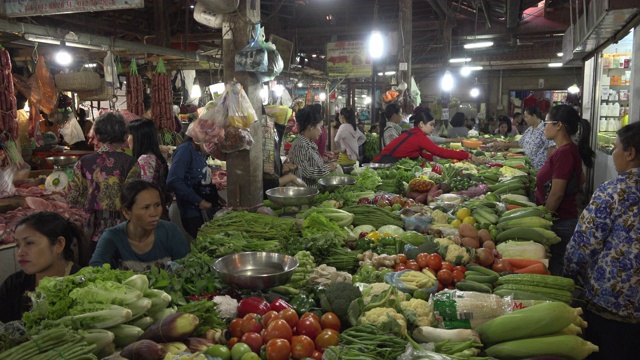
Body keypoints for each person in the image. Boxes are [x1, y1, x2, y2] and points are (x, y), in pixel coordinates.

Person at [563, 122, 640, 359]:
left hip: (613, 305)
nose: (613, 153)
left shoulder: (614, 192)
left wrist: (567, 278)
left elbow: (583, 245)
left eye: (615, 147)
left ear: (630, 153)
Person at [67, 112, 136, 266]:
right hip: (124, 228)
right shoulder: (130, 162)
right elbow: (134, 197)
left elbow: (73, 197)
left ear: (97, 134)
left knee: (96, 272)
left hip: (93, 230)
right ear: (124, 135)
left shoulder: (84, 162)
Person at [535, 105, 595, 275]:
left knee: (555, 268)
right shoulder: (567, 149)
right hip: (564, 218)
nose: (544, 127)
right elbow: (580, 179)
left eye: (546, 123)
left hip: (560, 221)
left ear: (559, 125)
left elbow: (557, 192)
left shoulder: (564, 152)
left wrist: (544, 219)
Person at [0, 212, 83, 323]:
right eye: (18, 245)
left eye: (29, 243)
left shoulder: (83, 286)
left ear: (59, 244)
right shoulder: (13, 285)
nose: (20, 253)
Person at [90, 180, 189, 271]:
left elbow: (187, 267)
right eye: (146, 207)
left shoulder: (170, 232)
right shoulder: (112, 237)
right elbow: (95, 269)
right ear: (127, 212)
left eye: (157, 205)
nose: (154, 213)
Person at [167, 135, 220, 239]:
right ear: (196, 137)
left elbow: (199, 180)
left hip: (201, 211)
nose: (212, 144)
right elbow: (173, 181)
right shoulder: (185, 150)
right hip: (192, 213)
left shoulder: (199, 151)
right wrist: (199, 201)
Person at [372, 113, 477, 164]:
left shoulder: (414, 133)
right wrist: (467, 155)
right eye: (431, 125)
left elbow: (419, 153)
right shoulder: (419, 136)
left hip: (384, 161)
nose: (433, 128)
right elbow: (440, 151)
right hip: (383, 163)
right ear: (421, 124)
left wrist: (434, 160)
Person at [490, 106, 555, 169]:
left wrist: (548, 167)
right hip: (528, 166)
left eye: (526, 117)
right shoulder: (529, 129)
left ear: (534, 116)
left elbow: (551, 147)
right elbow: (520, 143)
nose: (524, 119)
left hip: (540, 167)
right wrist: (502, 144)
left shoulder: (545, 129)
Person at [288, 105, 337, 187]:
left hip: (312, 190)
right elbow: (304, 171)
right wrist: (328, 168)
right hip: (304, 193)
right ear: (310, 127)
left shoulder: (310, 143)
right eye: (320, 127)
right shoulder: (301, 145)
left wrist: (324, 163)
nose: (321, 131)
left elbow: (310, 164)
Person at [126, 118, 169, 198]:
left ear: (139, 137)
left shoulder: (145, 160)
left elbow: (144, 192)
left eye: (129, 135)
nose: (127, 139)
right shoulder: (154, 157)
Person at [334, 107, 366, 172]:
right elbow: (364, 138)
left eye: (339, 115)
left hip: (344, 160)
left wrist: (341, 149)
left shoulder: (343, 127)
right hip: (354, 160)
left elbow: (336, 140)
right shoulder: (354, 127)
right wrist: (354, 145)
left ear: (342, 116)